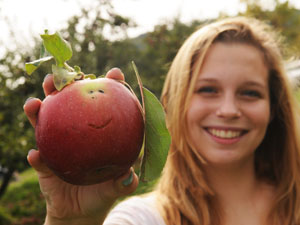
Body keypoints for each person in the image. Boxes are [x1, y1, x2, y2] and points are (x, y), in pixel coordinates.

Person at [23, 16, 300, 225]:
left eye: (250, 93)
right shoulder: (143, 219)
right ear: (174, 103)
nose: (228, 110)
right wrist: (72, 220)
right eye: (207, 89)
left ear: (274, 107)